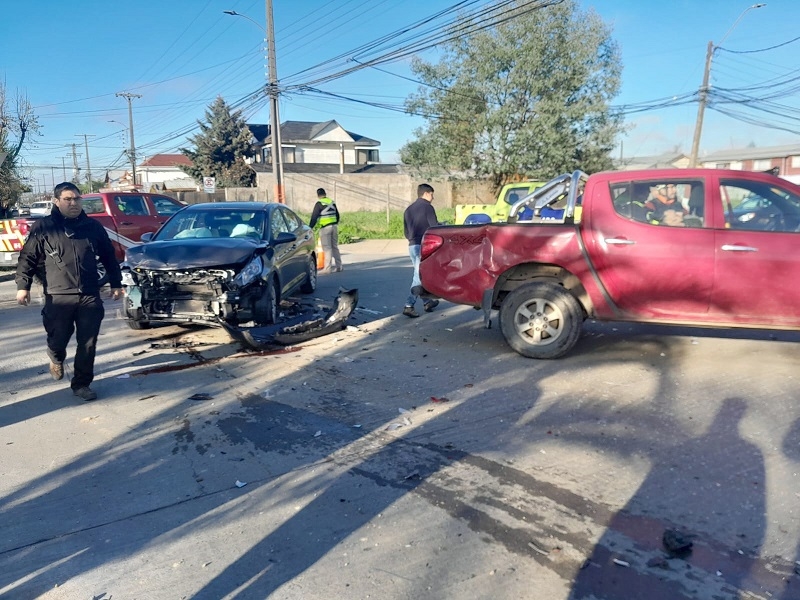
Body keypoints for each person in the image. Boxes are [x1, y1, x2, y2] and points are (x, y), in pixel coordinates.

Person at [15, 182, 123, 401]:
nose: (73, 203)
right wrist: (22, 286)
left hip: (89, 294)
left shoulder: (93, 227)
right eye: (68, 199)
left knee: (88, 342)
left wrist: (116, 282)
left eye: (77, 199)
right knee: (58, 338)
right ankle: (55, 357)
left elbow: (109, 256)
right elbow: (28, 257)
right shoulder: (44, 227)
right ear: (57, 201)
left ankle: (82, 384)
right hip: (58, 295)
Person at [402, 183, 440, 318]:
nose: (433, 197)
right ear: (426, 194)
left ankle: (427, 301)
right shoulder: (428, 208)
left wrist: (412, 239)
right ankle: (409, 305)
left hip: (412, 245)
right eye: (432, 194)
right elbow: (434, 227)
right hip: (423, 245)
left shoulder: (408, 209)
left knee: (420, 274)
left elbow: (406, 232)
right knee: (418, 276)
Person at [309, 187, 342, 273]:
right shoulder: (332, 202)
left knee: (327, 248)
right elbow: (337, 215)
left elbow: (314, 217)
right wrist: (335, 223)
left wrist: (310, 228)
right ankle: (339, 266)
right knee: (335, 246)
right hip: (334, 226)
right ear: (325, 194)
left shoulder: (319, 204)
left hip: (325, 228)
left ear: (318, 195)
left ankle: (327, 269)